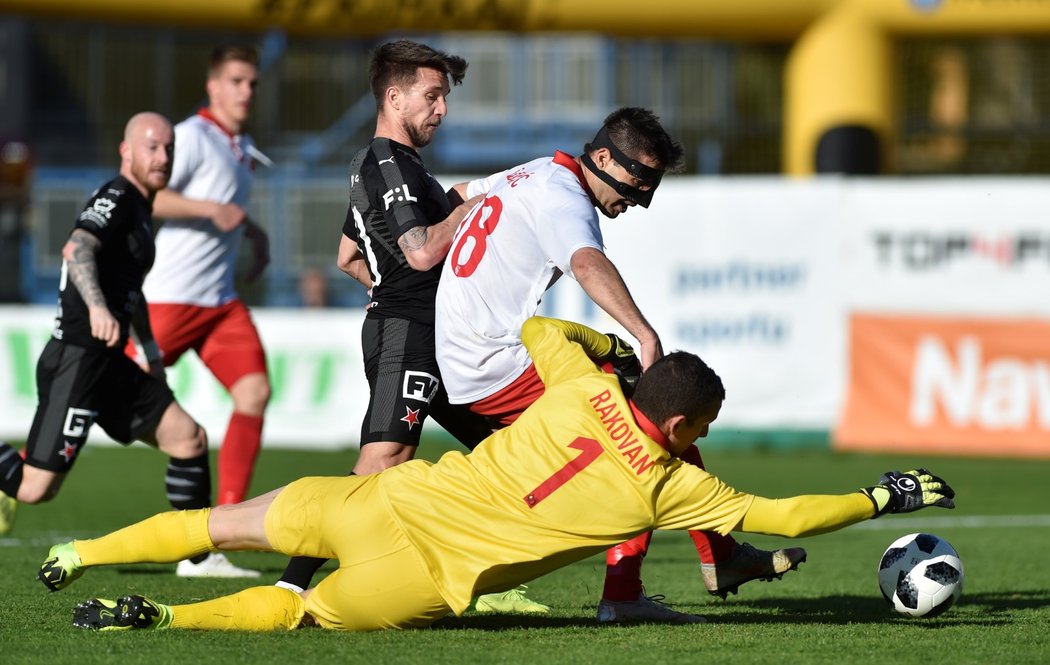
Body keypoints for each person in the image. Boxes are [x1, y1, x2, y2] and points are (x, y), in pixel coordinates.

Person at [37, 316, 958, 633]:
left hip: (386, 495)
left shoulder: (577, 389)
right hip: (424, 575)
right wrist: (884, 494)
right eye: (701, 428)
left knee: (221, 523)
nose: (700, 439)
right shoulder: (670, 484)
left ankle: (79, 549)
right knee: (305, 614)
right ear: (680, 426)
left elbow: (541, 333)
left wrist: (608, 350)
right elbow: (788, 515)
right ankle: (165, 617)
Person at [434, 108, 805, 623]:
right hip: (495, 362)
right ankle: (635, 591)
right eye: (635, 183)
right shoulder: (566, 197)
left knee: (650, 421)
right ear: (602, 156)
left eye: (649, 188)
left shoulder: (535, 172)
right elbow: (586, 263)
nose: (639, 199)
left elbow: (457, 194)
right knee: (642, 434)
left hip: (471, 356)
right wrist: (645, 333)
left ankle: (717, 558)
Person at [273, 39, 531, 614]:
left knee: (505, 453)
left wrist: (390, 278)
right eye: (432, 96)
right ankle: (291, 586)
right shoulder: (389, 162)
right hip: (409, 332)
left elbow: (347, 254)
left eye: (445, 98)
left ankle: (476, 580)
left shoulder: (398, 167)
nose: (442, 109)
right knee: (384, 458)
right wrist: (469, 206)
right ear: (394, 96)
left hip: (435, 333)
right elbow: (418, 253)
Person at [0, 113, 215, 545]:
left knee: (190, 438)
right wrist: (97, 309)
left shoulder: (142, 209)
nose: (162, 157)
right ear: (127, 151)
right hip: (78, 360)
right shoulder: (117, 195)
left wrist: (150, 351)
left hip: (111, 363)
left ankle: (200, 557)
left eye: (169, 149)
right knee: (34, 489)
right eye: (152, 147)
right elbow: (76, 245)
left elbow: (130, 292)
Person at [131, 45, 271, 578]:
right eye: (236, 81)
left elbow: (226, 207)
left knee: (254, 392)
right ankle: (24, 473)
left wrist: (254, 232)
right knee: (106, 390)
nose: (246, 91)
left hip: (219, 304)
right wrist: (210, 209)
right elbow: (147, 196)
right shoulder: (189, 136)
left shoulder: (239, 145)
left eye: (253, 83)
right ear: (213, 86)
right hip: (171, 297)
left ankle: (219, 533)